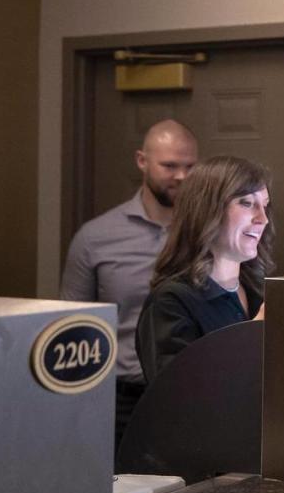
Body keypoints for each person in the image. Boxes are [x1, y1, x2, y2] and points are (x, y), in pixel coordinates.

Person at [60, 119, 198, 450]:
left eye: (190, 166)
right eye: (169, 166)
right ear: (142, 161)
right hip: (119, 399)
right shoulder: (96, 238)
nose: (181, 176)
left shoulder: (210, 235)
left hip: (192, 393)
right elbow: (72, 327)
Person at [135, 155, 274, 382]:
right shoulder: (170, 302)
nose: (263, 219)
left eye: (265, 206)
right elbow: (180, 396)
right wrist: (253, 335)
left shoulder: (259, 291)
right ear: (207, 209)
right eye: (247, 203)